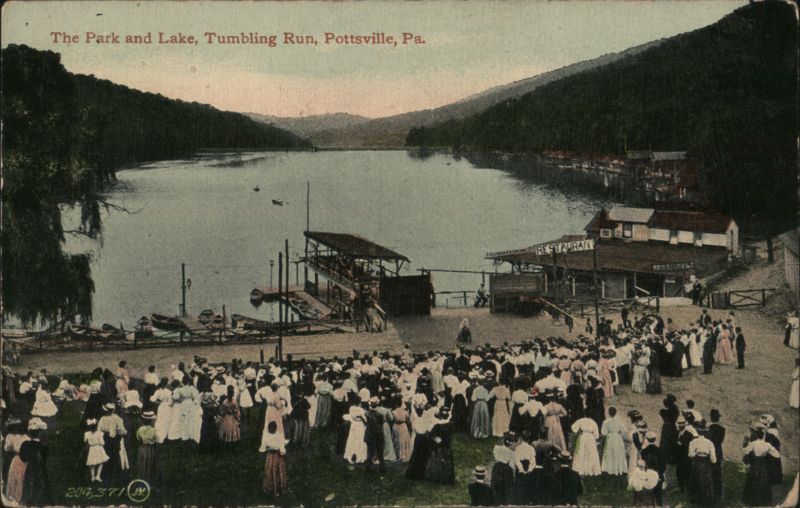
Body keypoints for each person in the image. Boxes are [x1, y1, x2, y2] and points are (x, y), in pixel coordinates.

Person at [742, 426, 780, 507]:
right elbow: (777, 455)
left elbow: (746, 451)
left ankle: (751, 500)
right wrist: (767, 454)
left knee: (752, 480)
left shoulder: (753, 443)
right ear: (764, 435)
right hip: (763, 466)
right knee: (762, 481)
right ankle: (761, 501)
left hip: (754, 466)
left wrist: (746, 446)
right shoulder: (767, 445)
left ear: (757, 435)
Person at [20, 418, 51, 506]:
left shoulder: (25, 444)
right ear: (40, 432)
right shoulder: (44, 446)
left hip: (30, 469)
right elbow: (45, 460)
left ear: (29, 432)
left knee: (29, 487)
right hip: (41, 470)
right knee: (40, 487)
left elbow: (23, 458)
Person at [687, 420, 716, 506]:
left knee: (695, 479)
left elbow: (690, 455)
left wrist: (697, 453)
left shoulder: (693, 442)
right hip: (706, 463)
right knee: (705, 481)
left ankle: (694, 499)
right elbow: (714, 460)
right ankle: (705, 500)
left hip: (697, 463)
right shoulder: (710, 443)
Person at [261, 421, 288, 497]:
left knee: (270, 470)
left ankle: (269, 486)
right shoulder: (279, 436)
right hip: (278, 456)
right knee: (277, 470)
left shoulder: (267, 436)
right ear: (276, 428)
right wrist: (283, 450)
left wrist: (268, 447)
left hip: (270, 456)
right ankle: (278, 487)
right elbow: (282, 449)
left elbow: (263, 447)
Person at [600, 407, 628, 475]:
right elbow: (625, 430)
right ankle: (618, 468)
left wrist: (609, 433)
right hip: (617, 438)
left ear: (609, 413)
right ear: (616, 413)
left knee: (610, 453)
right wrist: (619, 432)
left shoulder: (606, 422)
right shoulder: (619, 421)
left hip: (610, 438)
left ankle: (609, 469)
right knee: (618, 452)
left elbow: (603, 432)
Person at [135, 411, 160, 487]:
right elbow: (157, 439)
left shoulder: (140, 429)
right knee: (150, 463)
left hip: (142, 448)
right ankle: (149, 480)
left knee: (142, 463)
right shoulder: (154, 430)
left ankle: (142, 479)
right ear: (152, 420)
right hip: (150, 448)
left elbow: (138, 438)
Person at [490, 434, 516, 504]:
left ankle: (496, 500)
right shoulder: (512, 453)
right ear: (510, 443)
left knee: (496, 485)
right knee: (506, 486)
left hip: (497, 468)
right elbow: (512, 465)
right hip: (506, 469)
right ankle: (504, 501)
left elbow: (495, 457)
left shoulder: (497, 448)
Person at [707, 409, 726, 501]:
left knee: (709, 470)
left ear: (710, 418)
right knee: (717, 472)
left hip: (709, 450)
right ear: (718, 418)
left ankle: (709, 491)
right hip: (718, 451)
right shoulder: (722, 429)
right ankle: (717, 492)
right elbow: (720, 441)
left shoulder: (707, 429)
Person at [84, 419, 109, 483]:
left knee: (92, 463)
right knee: (100, 463)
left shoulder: (87, 433)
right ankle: (97, 476)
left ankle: (93, 477)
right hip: (99, 448)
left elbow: (85, 441)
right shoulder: (99, 433)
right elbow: (102, 442)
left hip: (92, 449)